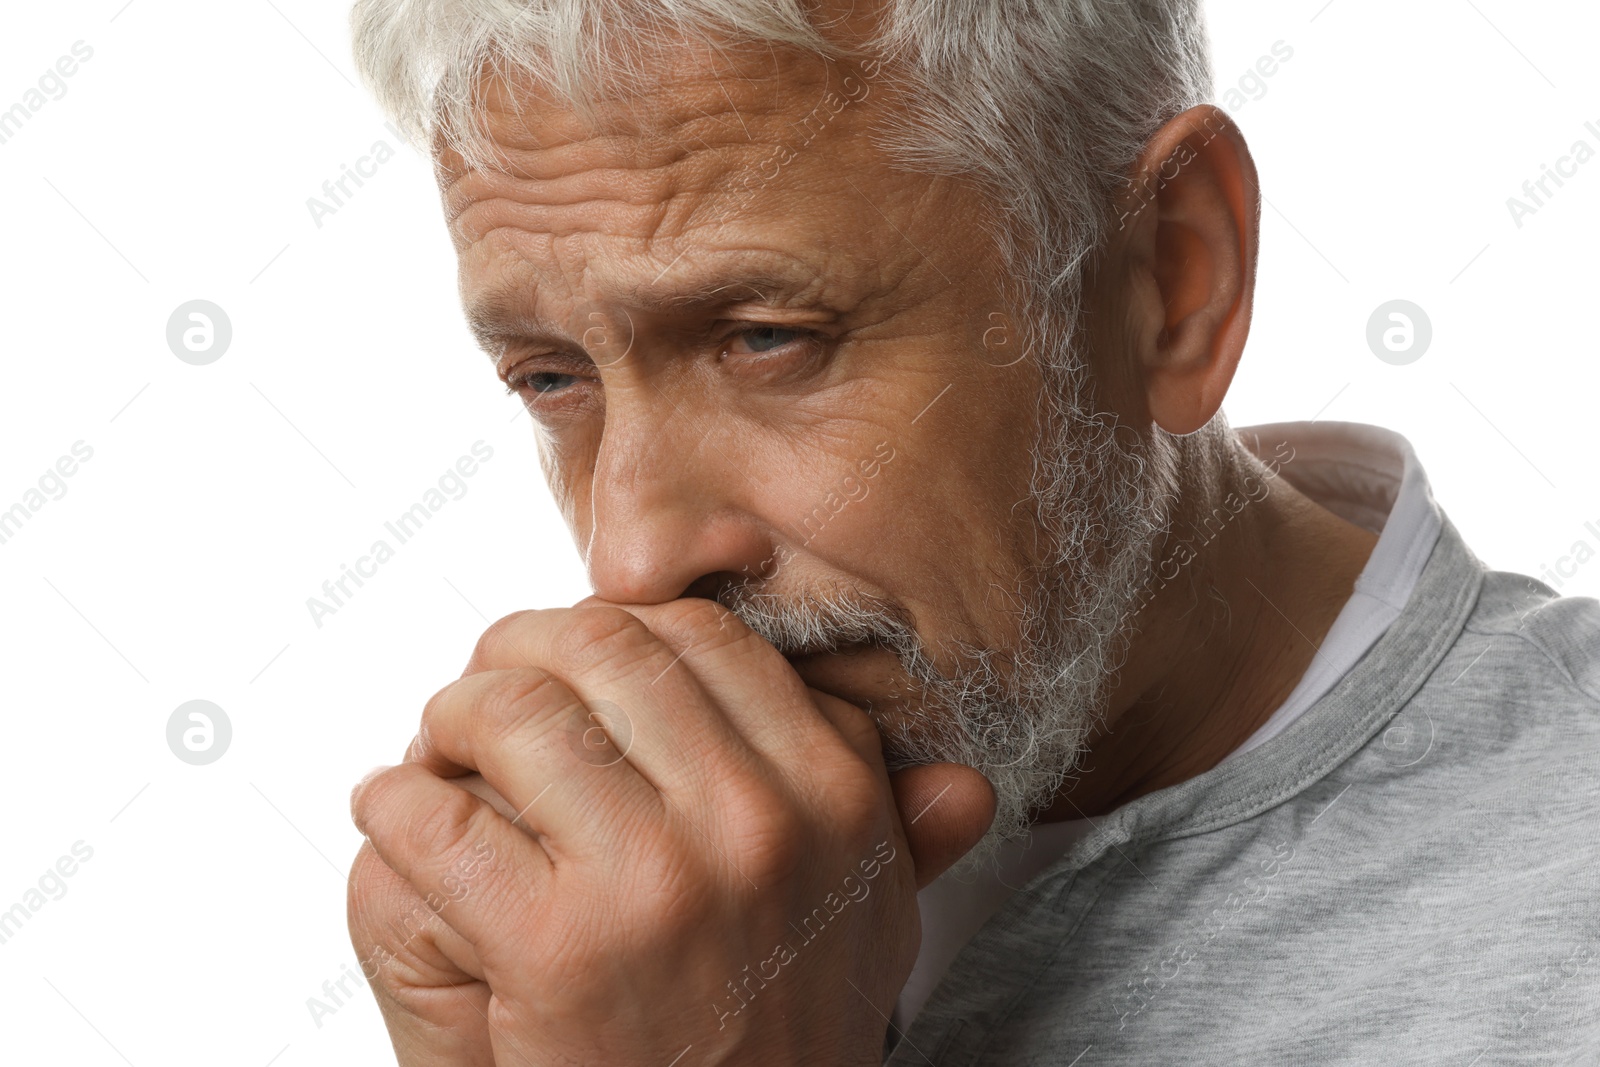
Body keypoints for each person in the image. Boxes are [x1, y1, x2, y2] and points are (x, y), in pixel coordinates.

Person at [341, 1, 1600, 1062]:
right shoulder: (559, 930)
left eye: (766, 336)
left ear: (1172, 275)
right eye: (553, 378)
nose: (632, 556)